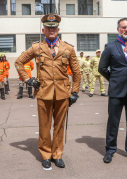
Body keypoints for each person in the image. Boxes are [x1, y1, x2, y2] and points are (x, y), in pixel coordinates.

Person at [15, 14, 81, 169]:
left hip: (62, 93)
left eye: (54, 27)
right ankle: (45, 154)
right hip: (43, 93)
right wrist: (28, 79)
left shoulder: (68, 48)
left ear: (58, 29)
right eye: (48, 28)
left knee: (59, 125)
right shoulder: (36, 47)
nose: (51, 30)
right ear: (43, 30)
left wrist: (75, 91)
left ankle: (57, 155)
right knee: (44, 126)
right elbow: (19, 62)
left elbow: (77, 73)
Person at [98, 17, 127, 164]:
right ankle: (110, 150)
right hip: (116, 90)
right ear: (118, 29)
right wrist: (114, 79)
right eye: (124, 27)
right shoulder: (110, 46)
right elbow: (102, 68)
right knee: (113, 121)